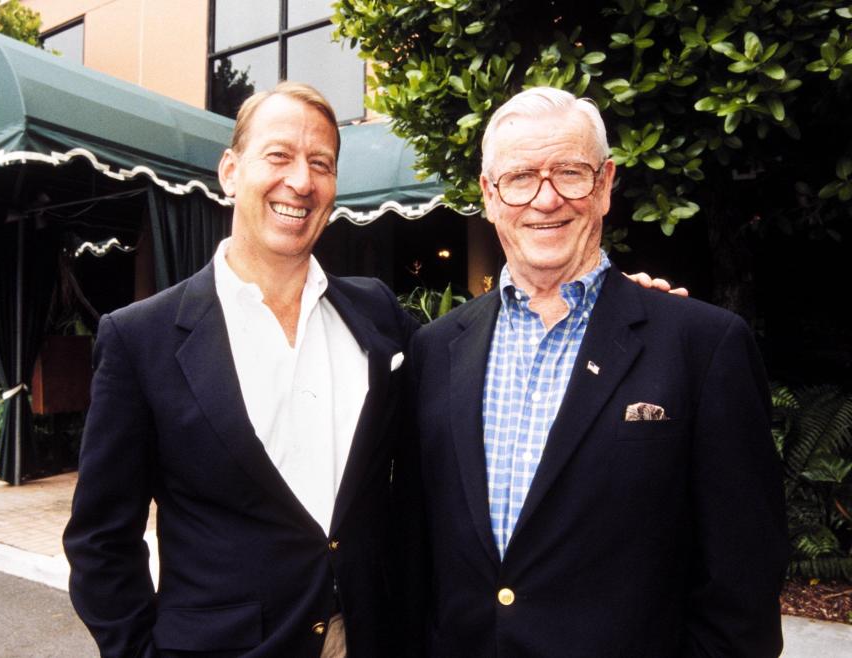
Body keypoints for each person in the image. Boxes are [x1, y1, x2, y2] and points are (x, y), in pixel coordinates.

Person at [402, 87, 789, 657]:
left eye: (570, 173)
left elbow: (743, 591)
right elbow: (415, 553)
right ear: (488, 194)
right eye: (520, 177)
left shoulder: (702, 346)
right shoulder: (434, 350)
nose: (546, 198)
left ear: (605, 185)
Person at [63, 82, 417, 657]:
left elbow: (456, 379)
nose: (300, 181)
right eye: (278, 156)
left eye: (320, 163)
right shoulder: (140, 338)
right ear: (230, 171)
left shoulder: (376, 313)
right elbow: (100, 541)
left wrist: (592, 300)